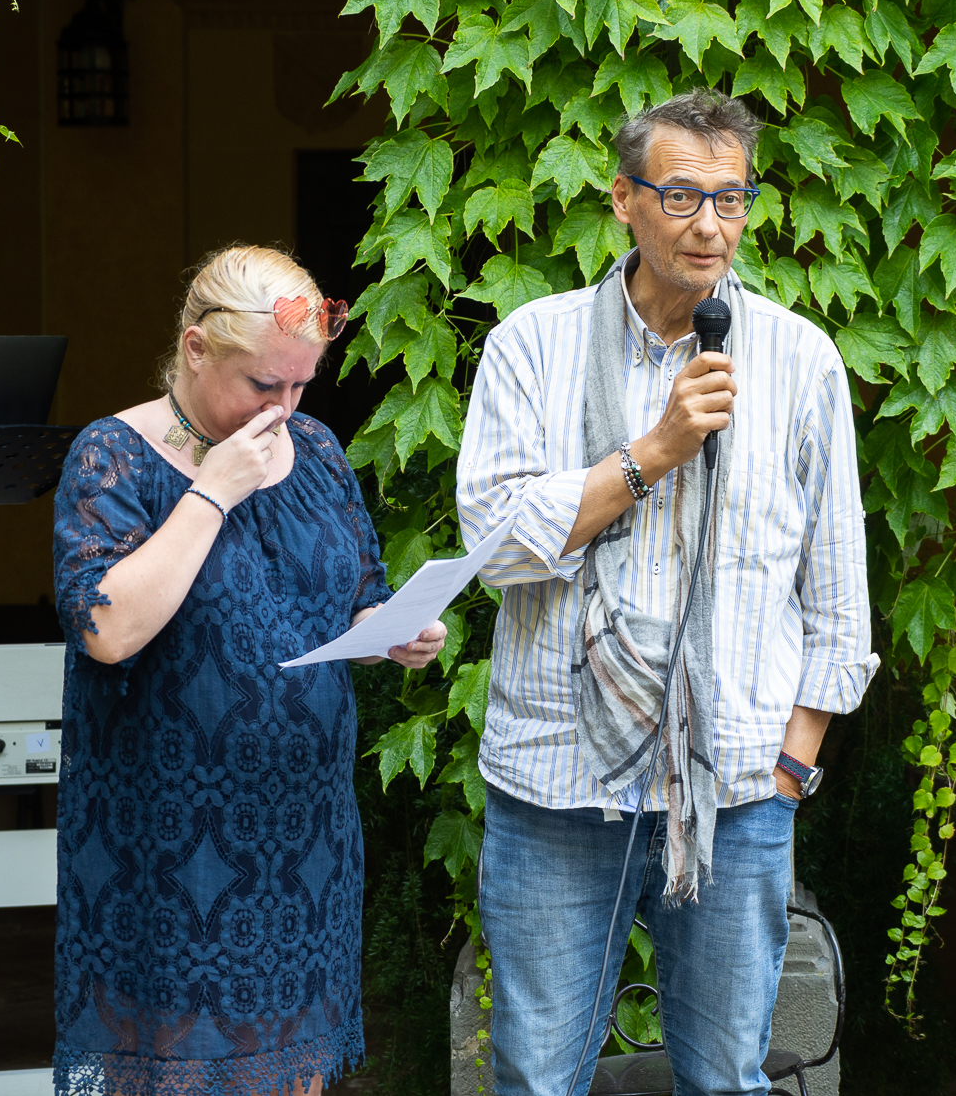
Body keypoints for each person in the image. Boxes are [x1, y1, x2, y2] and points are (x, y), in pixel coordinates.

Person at [458, 89, 878, 1096]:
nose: (710, 226)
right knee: (534, 1080)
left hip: (736, 787)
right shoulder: (531, 344)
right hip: (557, 781)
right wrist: (654, 450)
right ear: (624, 200)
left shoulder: (799, 360)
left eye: (732, 200)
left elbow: (834, 594)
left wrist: (791, 765)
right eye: (682, 195)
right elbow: (499, 546)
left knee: (726, 1080)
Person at [51, 246, 447, 1096]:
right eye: (264, 384)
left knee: (296, 1072)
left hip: (304, 847)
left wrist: (391, 633)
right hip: (170, 853)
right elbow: (104, 628)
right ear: (196, 349)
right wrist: (212, 491)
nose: (284, 408)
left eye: (301, 385)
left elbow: (358, 595)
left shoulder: (318, 450)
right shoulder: (112, 454)